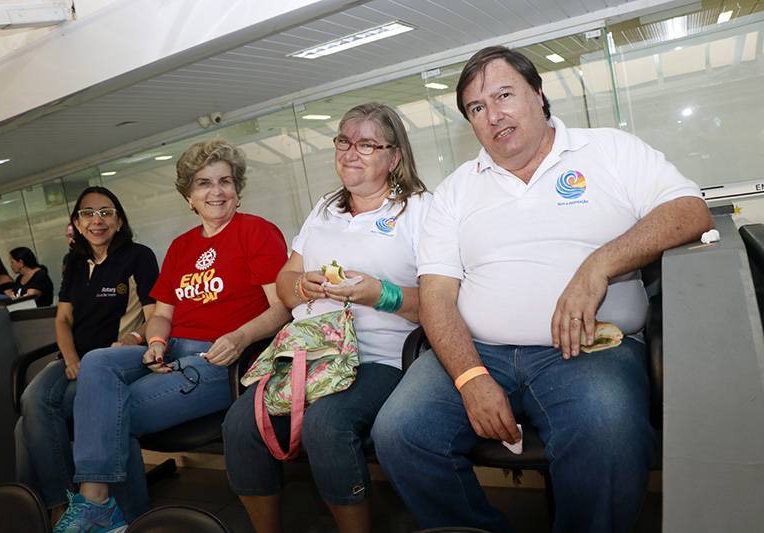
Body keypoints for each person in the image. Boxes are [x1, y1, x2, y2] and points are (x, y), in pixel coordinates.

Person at [372, 46, 714, 532]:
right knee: (400, 432)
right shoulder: (456, 191)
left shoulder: (609, 150)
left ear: (537, 93)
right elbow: (436, 296)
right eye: (476, 107)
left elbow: (689, 211)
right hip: (481, 351)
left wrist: (598, 266)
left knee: (607, 429)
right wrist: (470, 378)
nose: (493, 115)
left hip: (589, 349)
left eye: (504, 95)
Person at [53, 139, 291, 532]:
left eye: (225, 181)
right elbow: (162, 314)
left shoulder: (256, 231)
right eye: (203, 183)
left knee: (113, 415)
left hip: (222, 357)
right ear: (188, 197)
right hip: (174, 347)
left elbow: (280, 308)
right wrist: (156, 343)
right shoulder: (182, 247)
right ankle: (104, 507)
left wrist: (239, 337)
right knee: (97, 361)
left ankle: (114, 516)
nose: (216, 192)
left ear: (237, 188)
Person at [223, 102, 431, 533]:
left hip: (378, 358)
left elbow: (439, 301)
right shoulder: (324, 209)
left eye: (367, 144)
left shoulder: (419, 210)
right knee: (240, 423)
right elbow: (285, 286)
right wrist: (304, 285)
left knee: (327, 423)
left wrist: (381, 294)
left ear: (394, 156)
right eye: (344, 141)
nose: (350, 152)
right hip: (312, 352)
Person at [15, 186, 159, 525]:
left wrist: (133, 338)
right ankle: (64, 505)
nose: (98, 220)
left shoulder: (138, 256)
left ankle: (76, 511)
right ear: (77, 224)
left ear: (119, 221)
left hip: (115, 359)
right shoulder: (75, 263)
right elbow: (63, 320)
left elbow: (155, 315)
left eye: (106, 212)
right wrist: (70, 360)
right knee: (31, 400)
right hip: (74, 358)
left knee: (28, 426)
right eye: (88, 213)